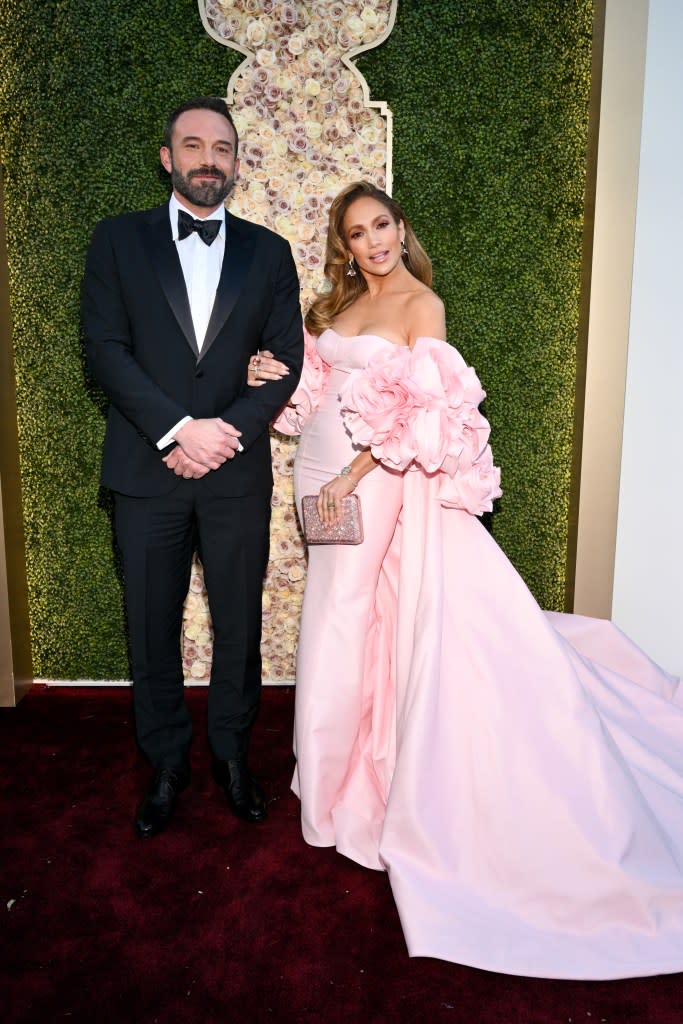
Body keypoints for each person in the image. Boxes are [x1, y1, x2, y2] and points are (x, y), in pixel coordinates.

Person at [249, 180, 683, 980]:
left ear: (401, 227)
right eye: (357, 232)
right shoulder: (333, 308)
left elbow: (422, 418)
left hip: (366, 480)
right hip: (315, 473)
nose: (373, 241)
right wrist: (277, 374)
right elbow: (311, 397)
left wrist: (350, 476)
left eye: (381, 224)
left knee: (345, 615)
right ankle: (339, 767)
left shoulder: (422, 305)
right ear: (344, 246)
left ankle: (342, 788)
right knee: (342, 614)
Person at [82, 96, 304, 838]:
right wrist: (178, 431)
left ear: (236, 162)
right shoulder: (116, 241)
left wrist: (221, 435)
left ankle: (233, 759)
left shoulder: (269, 252)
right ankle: (166, 765)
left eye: (223, 148)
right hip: (146, 472)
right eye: (194, 144)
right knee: (151, 626)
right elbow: (106, 351)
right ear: (167, 157)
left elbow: (286, 363)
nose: (210, 158)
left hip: (236, 474)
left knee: (239, 627)